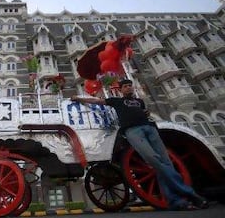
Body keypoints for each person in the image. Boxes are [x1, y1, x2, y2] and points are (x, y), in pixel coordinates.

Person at [71, 79, 208, 210]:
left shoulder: (139, 102)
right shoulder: (117, 101)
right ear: (120, 90)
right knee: (154, 160)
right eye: (125, 86)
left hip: (150, 128)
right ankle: (189, 194)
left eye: (130, 85)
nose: (129, 87)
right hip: (133, 131)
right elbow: (96, 101)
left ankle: (176, 201)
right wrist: (79, 98)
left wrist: (146, 113)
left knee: (165, 162)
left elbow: (144, 112)